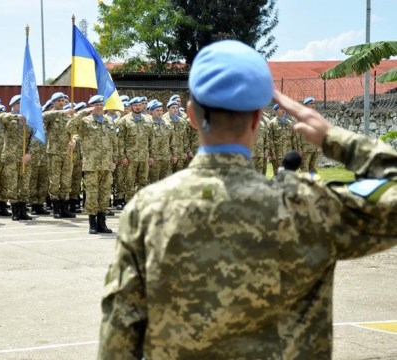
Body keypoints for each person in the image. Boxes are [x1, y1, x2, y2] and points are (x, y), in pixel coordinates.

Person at [98, 40, 397, 359]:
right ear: (257, 119)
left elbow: (118, 339)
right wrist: (334, 138)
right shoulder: (307, 204)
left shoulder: (147, 209)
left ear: (192, 116)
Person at [65, 95, 117, 234]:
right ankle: (92, 224)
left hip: (106, 164)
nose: (99, 107)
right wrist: (82, 112)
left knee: (105, 194)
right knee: (92, 194)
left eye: (101, 104)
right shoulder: (85, 121)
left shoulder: (109, 121)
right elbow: (69, 127)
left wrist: (114, 160)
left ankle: (102, 223)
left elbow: (114, 142)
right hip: (91, 165)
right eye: (96, 104)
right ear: (91, 106)